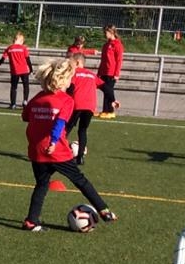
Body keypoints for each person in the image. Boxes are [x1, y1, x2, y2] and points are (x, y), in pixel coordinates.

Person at [20, 59, 117, 232]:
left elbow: (25, 116)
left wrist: (41, 115)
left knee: (41, 184)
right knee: (80, 180)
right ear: (64, 80)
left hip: (36, 150)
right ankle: (104, 211)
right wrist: (53, 141)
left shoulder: (38, 98)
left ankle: (31, 221)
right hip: (57, 151)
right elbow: (59, 123)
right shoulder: (66, 100)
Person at [67, 53, 100, 165]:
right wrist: (113, 99)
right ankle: (80, 158)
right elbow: (105, 87)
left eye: (71, 62)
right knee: (82, 130)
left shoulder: (74, 72)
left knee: (66, 128)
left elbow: (71, 87)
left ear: (77, 62)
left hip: (77, 104)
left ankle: (58, 152)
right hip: (90, 106)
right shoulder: (91, 74)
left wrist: (65, 98)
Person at [0, 32, 31, 109]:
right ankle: (25, 101)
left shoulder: (9, 48)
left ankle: (13, 104)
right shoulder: (23, 48)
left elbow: (2, 59)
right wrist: (31, 69)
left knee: (14, 87)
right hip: (24, 70)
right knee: (26, 85)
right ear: (21, 40)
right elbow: (28, 59)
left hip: (14, 71)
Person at [97, 24, 124, 117]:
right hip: (104, 71)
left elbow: (119, 60)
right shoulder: (105, 45)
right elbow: (103, 60)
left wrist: (117, 74)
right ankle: (106, 110)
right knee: (106, 90)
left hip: (111, 72)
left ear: (111, 32)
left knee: (108, 90)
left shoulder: (117, 44)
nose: (104, 34)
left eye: (106, 32)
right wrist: (99, 72)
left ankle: (110, 111)